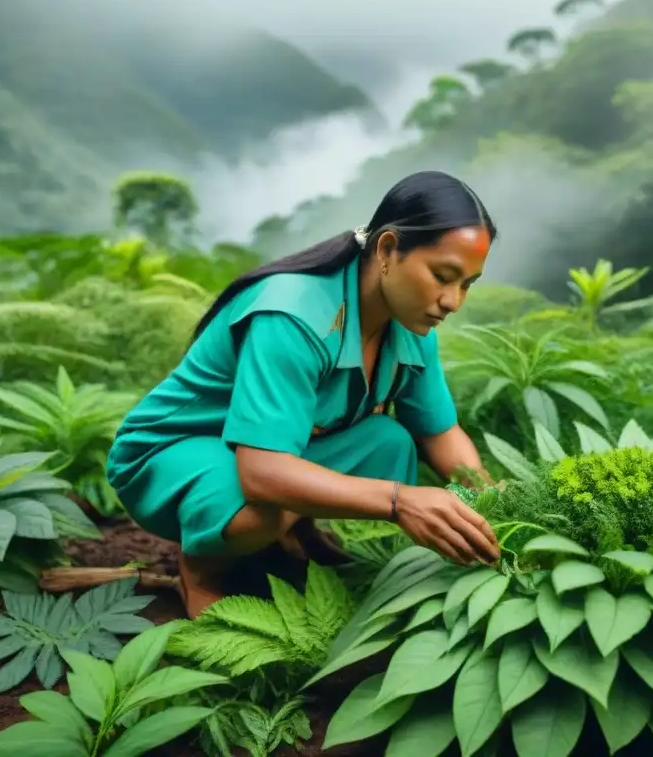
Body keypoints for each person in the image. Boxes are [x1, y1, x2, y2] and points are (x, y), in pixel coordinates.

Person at [106, 170, 503, 618]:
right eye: (443, 275)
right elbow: (262, 473)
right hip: (170, 452)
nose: (454, 301)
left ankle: (299, 540)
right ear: (388, 248)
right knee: (265, 509)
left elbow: (440, 433)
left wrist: (494, 505)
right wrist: (399, 502)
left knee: (388, 442)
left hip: (264, 451)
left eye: (467, 283)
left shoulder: (411, 325)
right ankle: (201, 573)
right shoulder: (291, 314)